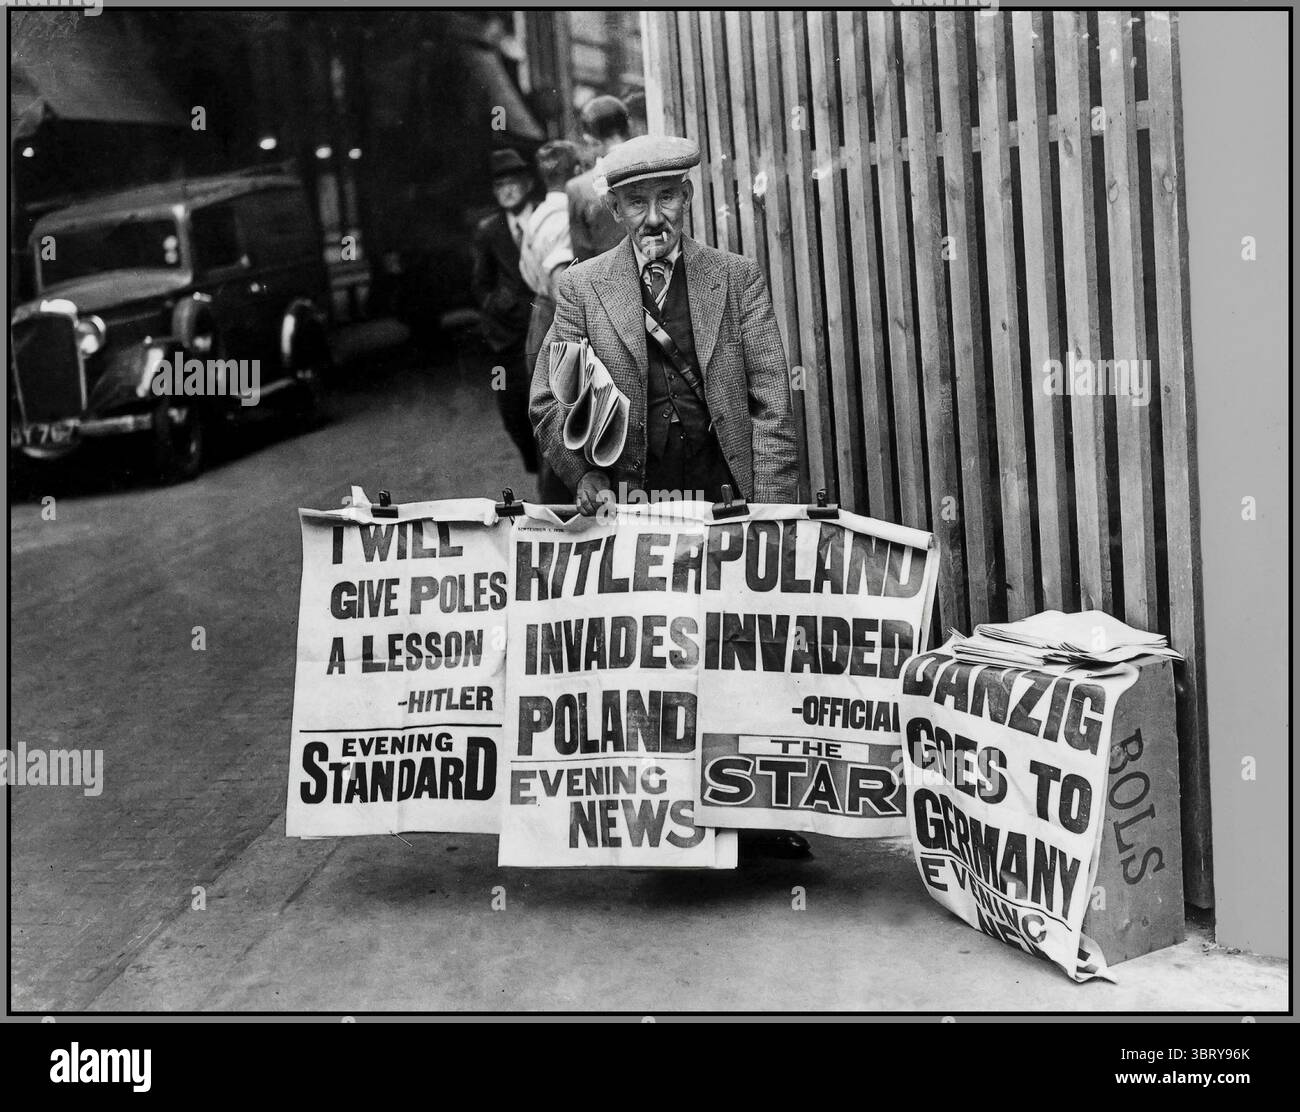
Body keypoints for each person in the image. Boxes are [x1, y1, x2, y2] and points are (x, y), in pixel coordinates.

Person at [529, 134, 808, 860]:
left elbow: (771, 404)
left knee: (740, 656)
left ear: (686, 200)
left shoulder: (736, 280)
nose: (655, 217)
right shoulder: (582, 290)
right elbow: (548, 406)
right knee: (661, 662)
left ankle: (761, 812)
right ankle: (673, 825)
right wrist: (584, 476)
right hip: (641, 509)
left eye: (667, 198)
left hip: (726, 499)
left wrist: (770, 511)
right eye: (637, 203)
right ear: (617, 211)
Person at [519, 140, 583, 502]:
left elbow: (526, 271)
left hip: (540, 314)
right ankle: (559, 514)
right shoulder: (561, 218)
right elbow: (562, 281)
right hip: (557, 320)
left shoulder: (539, 213)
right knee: (563, 420)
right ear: (574, 172)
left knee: (555, 420)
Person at [471, 148, 539, 474]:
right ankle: (536, 465)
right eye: (500, 186)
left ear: (527, 184)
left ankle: (557, 477)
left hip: (548, 326)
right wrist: (498, 303)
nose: (507, 190)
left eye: (513, 182)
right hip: (510, 338)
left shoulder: (544, 215)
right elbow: (480, 285)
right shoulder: (490, 230)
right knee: (513, 411)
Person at [567, 95, 632, 262]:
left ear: (591, 140)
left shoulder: (580, 188)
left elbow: (582, 260)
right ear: (628, 127)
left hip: (607, 283)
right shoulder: (655, 165)